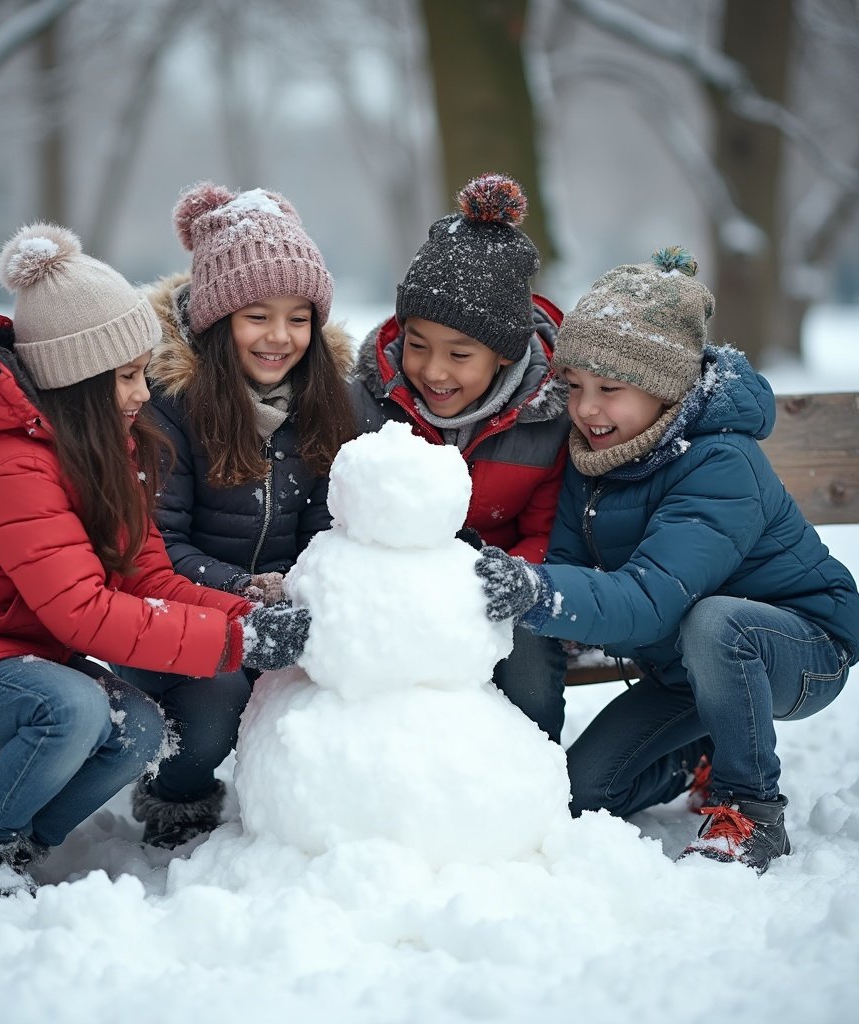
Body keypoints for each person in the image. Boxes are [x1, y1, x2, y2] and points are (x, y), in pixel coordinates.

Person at [0, 222, 310, 917]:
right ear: (75, 379)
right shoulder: (10, 464)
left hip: (16, 659)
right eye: (126, 376)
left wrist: (246, 617)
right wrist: (236, 645)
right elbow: (83, 613)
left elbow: (148, 580)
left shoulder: (108, 448)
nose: (142, 392)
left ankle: (14, 850)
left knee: (141, 730)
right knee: (71, 709)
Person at [474, 246, 859, 873]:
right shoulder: (595, 456)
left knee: (717, 622)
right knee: (589, 791)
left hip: (796, 647)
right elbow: (575, 562)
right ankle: (702, 753)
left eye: (611, 390)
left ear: (666, 388)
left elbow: (652, 599)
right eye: (575, 388)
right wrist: (529, 583)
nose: (587, 409)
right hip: (688, 668)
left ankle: (751, 811)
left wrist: (536, 590)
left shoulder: (721, 463)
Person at [110, 182, 356, 848]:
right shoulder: (166, 404)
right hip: (176, 614)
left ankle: (336, 809)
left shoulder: (324, 398)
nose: (281, 337)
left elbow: (321, 523)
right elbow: (158, 545)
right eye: (257, 316)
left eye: (298, 317)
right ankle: (177, 796)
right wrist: (245, 593)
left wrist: (307, 585)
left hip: (279, 613)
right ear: (219, 321)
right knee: (218, 693)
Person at [350, 172, 571, 742]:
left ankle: (525, 774)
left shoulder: (547, 417)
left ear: (503, 354)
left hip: (502, 586)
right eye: (417, 345)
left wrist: (493, 579)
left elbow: (551, 531)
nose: (433, 370)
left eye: (460, 354)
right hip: (394, 586)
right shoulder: (372, 400)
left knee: (526, 662)